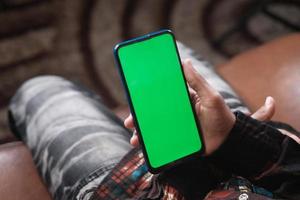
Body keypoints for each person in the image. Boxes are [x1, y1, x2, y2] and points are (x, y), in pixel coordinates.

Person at [8, 43, 300, 200]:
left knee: (42, 88)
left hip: (136, 191)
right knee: (172, 53)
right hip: (252, 155)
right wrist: (233, 136)